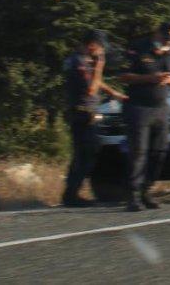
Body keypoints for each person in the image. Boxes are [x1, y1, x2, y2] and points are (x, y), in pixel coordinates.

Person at [118, 21, 170, 211]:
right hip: (139, 107)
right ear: (157, 34)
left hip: (161, 108)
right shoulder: (138, 48)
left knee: (159, 151)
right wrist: (150, 79)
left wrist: (169, 79)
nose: (168, 42)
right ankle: (133, 195)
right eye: (165, 38)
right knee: (138, 152)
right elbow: (123, 76)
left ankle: (147, 189)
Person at [62, 29, 127, 207]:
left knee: (86, 152)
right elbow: (91, 88)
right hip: (82, 113)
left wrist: (113, 93)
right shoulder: (79, 62)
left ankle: (71, 192)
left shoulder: (80, 60)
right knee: (85, 154)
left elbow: (96, 82)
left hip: (83, 112)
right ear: (91, 44)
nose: (100, 51)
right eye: (99, 46)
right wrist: (99, 66)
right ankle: (71, 194)